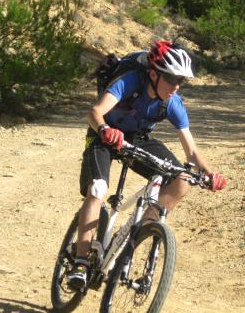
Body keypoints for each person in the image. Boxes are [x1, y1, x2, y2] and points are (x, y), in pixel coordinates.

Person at [67, 40, 227, 290]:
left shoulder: (173, 102)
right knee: (98, 189)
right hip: (103, 135)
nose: (175, 86)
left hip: (136, 138)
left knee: (181, 181)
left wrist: (209, 173)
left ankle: (139, 232)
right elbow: (95, 112)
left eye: (180, 81)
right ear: (153, 74)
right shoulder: (130, 82)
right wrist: (105, 129)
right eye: (171, 79)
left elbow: (192, 150)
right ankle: (80, 262)